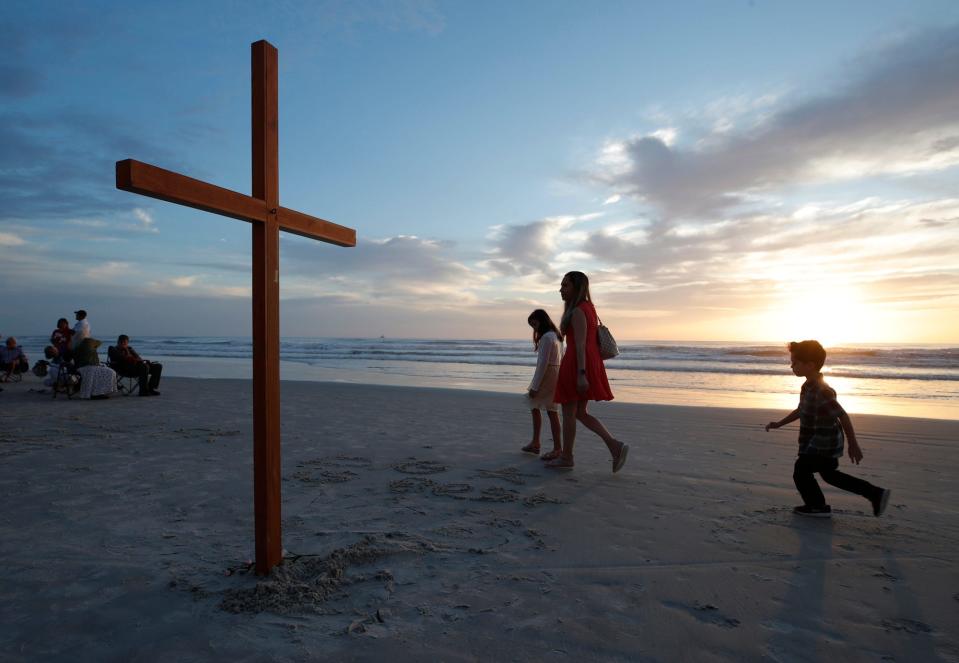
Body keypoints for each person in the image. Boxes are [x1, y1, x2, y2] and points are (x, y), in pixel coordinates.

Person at [765, 340, 891, 518]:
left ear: (810, 365)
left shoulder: (822, 391)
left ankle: (817, 506)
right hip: (817, 442)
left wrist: (853, 444)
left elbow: (843, 415)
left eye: (795, 362)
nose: (791, 366)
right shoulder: (807, 386)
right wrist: (779, 423)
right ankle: (875, 493)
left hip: (823, 443)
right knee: (830, 475)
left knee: (801, 471)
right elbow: (801, 410)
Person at [546, 271, 629, 472]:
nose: (560, 289)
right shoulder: (589, 308)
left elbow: (581, 344)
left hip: (577, 364)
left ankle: (567, 457)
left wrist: (581, 374)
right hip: (586, 363)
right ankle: (614, 445)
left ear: (577, 287)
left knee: (568, 413)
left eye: (565, 285)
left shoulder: (577, 311)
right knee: (580, 413)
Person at [521, 309, 564, 460]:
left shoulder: (546, 337)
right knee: (549, 410)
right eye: (532, 325)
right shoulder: (557, 336)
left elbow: (543, 364)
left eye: (535, 324)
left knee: (537, 405)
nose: (534, 328)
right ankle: (545, 444)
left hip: (548, 375)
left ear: (542, 320)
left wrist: (535, 386)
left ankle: (543, 444)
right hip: (555, 374)